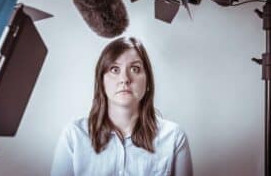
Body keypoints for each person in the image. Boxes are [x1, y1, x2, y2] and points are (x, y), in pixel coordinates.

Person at [51, 37, 193, 176]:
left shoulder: (174, 137)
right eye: (114, 69)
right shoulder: (74, 136)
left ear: (148, 81)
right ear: (101, 81)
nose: (125, 79)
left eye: (135, 69)